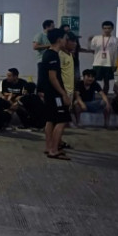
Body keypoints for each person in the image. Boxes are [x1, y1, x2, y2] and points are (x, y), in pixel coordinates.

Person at [39, 28, 72, 160]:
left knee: (51, 119)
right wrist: (63, 94)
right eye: (65, 38)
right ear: (59, 40)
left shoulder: (48, 53)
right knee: (62, 120)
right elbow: (53, 77)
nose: (66, 41)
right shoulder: (52, 55)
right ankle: (53, 150)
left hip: (49, 93)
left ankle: (49, 147)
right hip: (54, 94)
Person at [86, 21, 118, 94]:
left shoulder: (115, 39)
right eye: (105, 28)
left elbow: (116, 53)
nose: (107, 30)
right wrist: (89, 41)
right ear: (102, 29)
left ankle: (105, 97)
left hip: (109, 63)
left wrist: (115, 64)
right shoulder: (96, 38)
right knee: (93, 80)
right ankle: (91, 94)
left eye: (109, 28)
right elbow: (91, 50)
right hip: (97, 62)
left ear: (112, 29)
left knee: (106, 81)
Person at [33, 19, 54, 91]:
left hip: (50, 61)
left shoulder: (51, 37)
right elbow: (35, 46)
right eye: (52, 26)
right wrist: (48, 46)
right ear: (47, 27)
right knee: (42, 79)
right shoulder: (40, 35)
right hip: (42, 60)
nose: (53, 28)